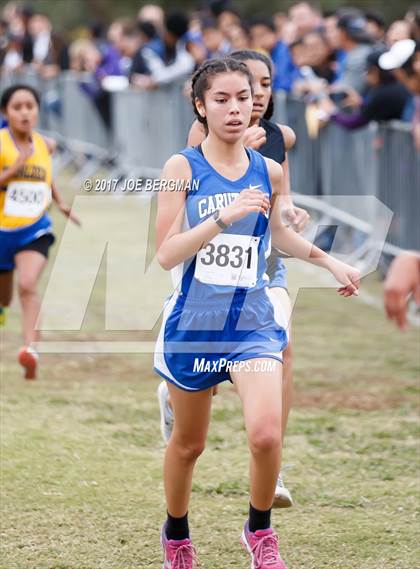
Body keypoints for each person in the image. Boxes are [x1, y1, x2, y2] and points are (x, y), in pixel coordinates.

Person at [154, 56, 360, 568]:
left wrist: (330, 260)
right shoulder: (182, 167)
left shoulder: (268, 168)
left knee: (266, 434)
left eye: (243, 98)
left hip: (250, 322)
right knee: (188, 445)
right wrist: (223, 217)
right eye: (221, 100)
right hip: (195, 324)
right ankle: (176, 534)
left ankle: (260, 531)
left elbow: (281, 235)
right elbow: (166, 252)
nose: (234, 109)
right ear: (200, 106)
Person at [157, 48, 310, 509]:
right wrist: (226, 206)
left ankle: (272, 465)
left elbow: (279, 204)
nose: (252, 99)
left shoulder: (281, 140)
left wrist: (289, 212)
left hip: (264, 271)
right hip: (201, 280)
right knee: (191, 438)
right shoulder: (195, 145)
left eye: (261, 88)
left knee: (280, 348)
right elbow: (171, 240)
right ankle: (175, 389)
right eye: (236, 93)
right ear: (204, 103)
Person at [0, 84, 79, 378]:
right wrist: (15, 166)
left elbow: (45, 175)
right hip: (2, 230)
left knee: (28, 284)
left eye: (30, 106)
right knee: (5, 297)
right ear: (5, 113)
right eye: (17, 107)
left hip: (35, 227)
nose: (24, 112)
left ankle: (30, 351)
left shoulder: (46, 144)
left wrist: (60, 203)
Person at [384, 251, 420, 330]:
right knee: (400, 304)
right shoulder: (413, 265)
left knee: (392, 301)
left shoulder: (402, 258)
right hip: (400, 287)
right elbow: (416, 290)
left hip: (390, 284)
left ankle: (392, 317)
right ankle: (402, 324)